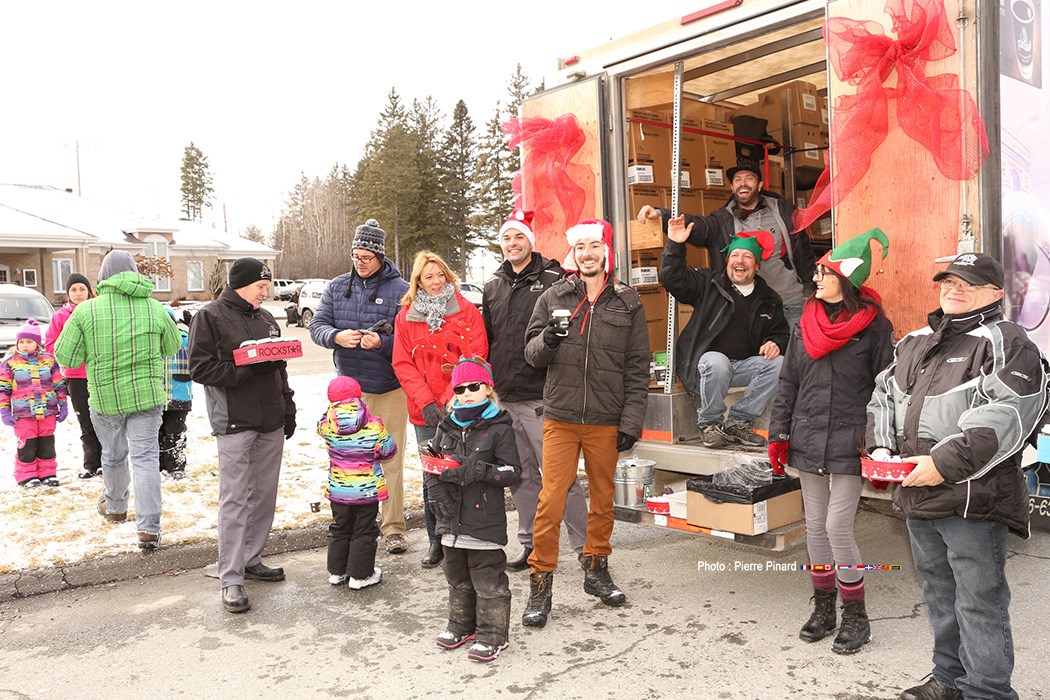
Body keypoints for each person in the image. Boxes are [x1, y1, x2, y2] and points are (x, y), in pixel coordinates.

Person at [866, 253, 1047, 700]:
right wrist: (881, 446)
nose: (955, 288)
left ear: (996, 294)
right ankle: (949, 680)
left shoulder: (1008, 342)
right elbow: (883, 396)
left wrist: (942, 465)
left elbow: (1006, 416)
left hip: (973, 496)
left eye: (969, 283)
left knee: (978, 600)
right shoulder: (915, 340)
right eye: (948, 280)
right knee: (939, 594)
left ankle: (987, 691)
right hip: (917, 491)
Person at [768, 229, 894, 655]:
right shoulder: (804, 323)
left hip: (849, 439)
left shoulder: (875, 326)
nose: (816, 278)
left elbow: (885, 389)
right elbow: (788, 382)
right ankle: (824, 608)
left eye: (824, 272)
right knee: (815, 528)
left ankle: (856, 616)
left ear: (846, 277)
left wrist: (881, 443)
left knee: (837, 526)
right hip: (806, 435)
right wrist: (778, 434)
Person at [521, 218, 649, 628]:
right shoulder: (553, 296)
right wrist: (550, 340)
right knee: (551, 500)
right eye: (581, 248)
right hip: (560, 415)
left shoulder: (628, 301)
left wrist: (631, 421)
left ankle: (596, 569)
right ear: (573, 255)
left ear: (605, 253)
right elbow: (531, 354)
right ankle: (540, 584)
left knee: (603, 499)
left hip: (606, 419)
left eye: (595, 247)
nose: (588, 254)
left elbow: (636, 367)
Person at [188, 257, 297, 613]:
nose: (266, 292)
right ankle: (231, 577)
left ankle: (251, 558)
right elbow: (200, 368)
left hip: (271, 420)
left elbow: (278, 370)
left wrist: (288, 407)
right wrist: (245, 365)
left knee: (263, 495)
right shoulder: (210, 316)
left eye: (267, 286)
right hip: (234, 421)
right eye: (260, 287)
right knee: (235, 499)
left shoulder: (266, 318)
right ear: (240, 284)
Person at [482, 209, 588, 570]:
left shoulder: (556, 278)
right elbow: (490, 340)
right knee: (520, 475)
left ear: (531, 240)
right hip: (505, 397)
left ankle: (587, 550)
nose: (513, 244)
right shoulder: (493, 285)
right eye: (507, 238)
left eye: (519, 237)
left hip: (543, 396)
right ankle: (531, 544)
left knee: (561, 478)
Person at [55, 250, 180, 550]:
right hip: (147, 398)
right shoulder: (155, 309)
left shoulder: (85, 311)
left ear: (102, 278)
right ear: (135, 273)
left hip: (105, 398)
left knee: (112, 455)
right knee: (146, 459)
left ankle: (116, 507)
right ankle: (149, 528)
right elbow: (173, 346)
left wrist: (93, 352)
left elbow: (65, 355)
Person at [310, 219, 412, 556]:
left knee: (390, 459)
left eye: (366, 256)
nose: (360, 262)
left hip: (389, 388)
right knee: (348, 460)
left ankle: (394, 528)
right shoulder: (337, 287)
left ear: (380, 256)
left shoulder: (402, 290)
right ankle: (352, 525)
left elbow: (411, 341)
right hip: (349, 393)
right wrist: (335, 336)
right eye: (355, 255)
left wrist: (381, 344)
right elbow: (317, 325)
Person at [392, 251, 488, 569]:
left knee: (462, 469)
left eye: (440, 275)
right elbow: (403, 364)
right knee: (432, 473)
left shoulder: (466, 310)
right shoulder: (405, 316)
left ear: (448, 276)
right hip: (424, 411)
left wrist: (450, 397)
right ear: (418, 281)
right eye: (428, 277)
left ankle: (464, 536)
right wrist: (427, 402)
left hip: (460, 405)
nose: (435, 282)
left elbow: (475, 354)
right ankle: (436, 540)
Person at [637, 160, 815, 326]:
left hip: (791, 303)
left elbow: (804, 252)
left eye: (749, 178)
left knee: (797, 357)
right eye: (737, 179)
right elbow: (699, 225)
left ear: (760, 185)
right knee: (762, 359)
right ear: (732, 187)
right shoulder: (722, 220)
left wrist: (809, 289)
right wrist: (662, 214)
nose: (743, 183)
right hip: (747, 310)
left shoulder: (784, 212)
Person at [660, 220, 790, 448]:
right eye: (735, 255)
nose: (740, 261)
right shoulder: (708, 283)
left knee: (778, 364)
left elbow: (781, 332)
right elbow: (673, 278)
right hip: (707, 366)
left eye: (747, 257)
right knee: (717, 361)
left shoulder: (769, 298)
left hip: (741, 368)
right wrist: (675, 245)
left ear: (757, 265)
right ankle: (710, 423)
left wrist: (775, 342)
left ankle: (739, 421)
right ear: (727, 261)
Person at [427, 357, 521, 662]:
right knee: (456, 576)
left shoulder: (500, 429)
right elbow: (432, 466)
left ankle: (493, 634)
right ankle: (460, 625)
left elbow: (513, 472)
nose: (466, 393)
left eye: (473, 386)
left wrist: (479, 470)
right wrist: (436, 489)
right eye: (459, 388)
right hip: (450, 519)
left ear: (488, 388)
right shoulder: (447, 425)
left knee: (487, 580)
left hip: (483, 520)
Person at [318, 375, 397, 590]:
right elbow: (389, 450)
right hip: (366, 491)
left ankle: (337, 571)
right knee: (364, 530)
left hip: (339, 490)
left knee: (340, 527)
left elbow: (322, 432)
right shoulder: (374, 425)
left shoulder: (326, 425)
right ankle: (361, 575)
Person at [44, 273, 102, 479]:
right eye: (74, 290)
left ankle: (109, 460)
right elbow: (51, 345)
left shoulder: (98, 311)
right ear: (68, 294)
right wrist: (70, 351)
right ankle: (91, 464)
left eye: (82, 289)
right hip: (76, 376)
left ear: (89, 291)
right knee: (86, 420)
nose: (78, 294)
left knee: (104, 418)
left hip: (100, 373)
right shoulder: (60, 317)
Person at [1, 319, 67, 487]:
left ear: (37, 344)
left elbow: (58, 384)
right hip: (23, 413)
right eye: (21, 342)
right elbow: (3, 389)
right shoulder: (10, 363)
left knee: (46, 443)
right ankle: (26, 475)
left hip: (47, 410)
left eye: (29, 342)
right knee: (27, 443)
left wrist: (63, 404)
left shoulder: (48, 361)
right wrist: (4, 411)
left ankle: (48, 473)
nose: (24, 345)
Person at [159, 308, 192, 480]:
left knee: (175, 432)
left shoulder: (185, 338)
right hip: (155, 396)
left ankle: (175, 465)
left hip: (179, 394)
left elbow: (203, 346)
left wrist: (194, 328)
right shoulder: (151, 340)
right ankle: (158, 465)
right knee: (156, 432)